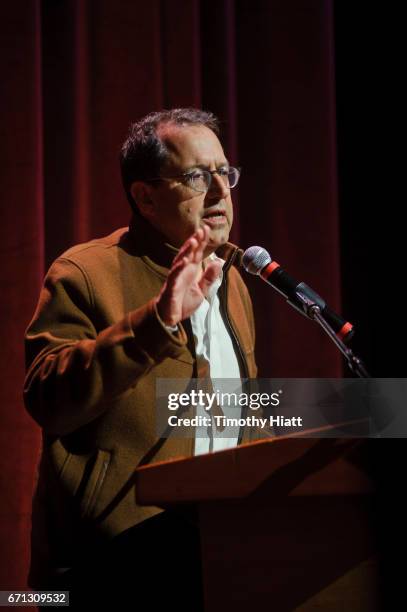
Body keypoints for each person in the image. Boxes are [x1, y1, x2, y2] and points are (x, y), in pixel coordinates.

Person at [23, 108, 257, 609]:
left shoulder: (234, 283)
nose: (220, 192)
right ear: (145, 197)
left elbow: (237, 416)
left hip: (217, 559)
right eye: (197, 176)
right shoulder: (85, 271)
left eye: (224, 172)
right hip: (109, 570)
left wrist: (357, 417)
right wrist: (158, 321)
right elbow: (48, 399)